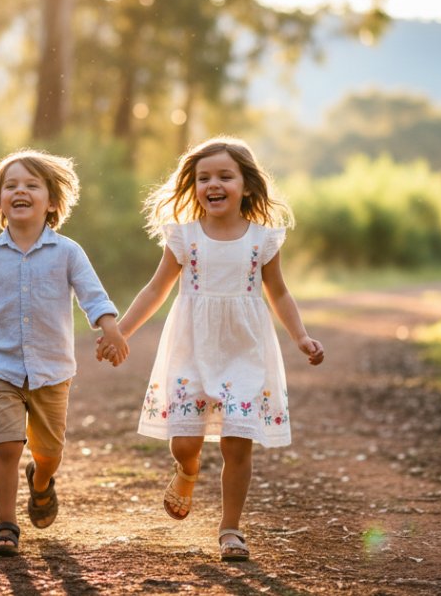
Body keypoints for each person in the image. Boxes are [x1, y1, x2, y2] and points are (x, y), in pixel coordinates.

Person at [100, 136, 324, 562]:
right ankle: (187, 471)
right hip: (192, 346)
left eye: (224, 176)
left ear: (247, 185)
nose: (212, 184)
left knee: (238, 443)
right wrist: (121, 331)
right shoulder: (184, 237)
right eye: (203, 177)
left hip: (244, 349)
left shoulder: (262, 239)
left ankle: (230, 530)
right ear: (193, 185)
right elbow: (155, 290)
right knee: (185, 442)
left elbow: (279, 293)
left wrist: (301, 337)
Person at [0, 149, 129, 557]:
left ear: (51, 202)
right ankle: (6, 525)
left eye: (31, 185)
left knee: (49, 454)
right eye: (10, 186)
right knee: (6, 446)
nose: (20, 190)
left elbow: (92, 294)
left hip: (52, 371)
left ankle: (41, 482)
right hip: (0, 367)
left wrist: (111, 329)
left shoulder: (68, 251)